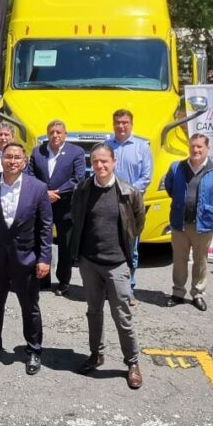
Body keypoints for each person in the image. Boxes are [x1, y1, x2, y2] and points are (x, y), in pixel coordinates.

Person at [0, 142, 52, 375]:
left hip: (26, 258)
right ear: (1, 159)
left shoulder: (37, 188)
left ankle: (33, 350)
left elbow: (45, 227)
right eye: (8, 157)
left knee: (30, 307)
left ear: (24, 162)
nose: (12, 161)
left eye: (17, 158)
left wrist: (45, 258)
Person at [69, 143, 146, 389]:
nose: (99, 166)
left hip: (117, 265)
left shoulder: (129, 193)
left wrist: (123, 255)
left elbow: (137, 224)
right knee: (93, 312)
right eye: (95, 162)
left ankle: (132, 363)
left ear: (114, 162)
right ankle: (96, 354)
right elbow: (77, 220)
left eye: (104, 161)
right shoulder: (82, 190)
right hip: (90, 263)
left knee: (122, 316)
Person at [164, 134, 213, 312]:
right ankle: (178, 292)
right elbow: (170, 189)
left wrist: (210, 210)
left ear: (207, 149)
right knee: (179, 260)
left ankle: (198, 293)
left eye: (200, 147)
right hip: (180, 223)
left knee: (200, 260)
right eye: (193, 146)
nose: (196, 150)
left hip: (203, 224)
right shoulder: (176, 168)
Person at [28, 120, 85, 296]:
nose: (55, 135)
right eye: (51, 132)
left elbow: (78, 178)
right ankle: (42, 279)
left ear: (65, 134)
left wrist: (58, 192)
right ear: (47, 134)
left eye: (59, 132)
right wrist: (45, 192)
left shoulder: (76, 152)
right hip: (42, 204)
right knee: (41, 240)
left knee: (65, 245)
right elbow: (30, 175)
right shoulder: (38, 152)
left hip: (65, 205)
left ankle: (63, 281)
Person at [107, 108, 153, 291]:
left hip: (131, 204)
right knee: (110, 244)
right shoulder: (107, 145)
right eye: (118, 123)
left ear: (131, 124)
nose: (121, 126)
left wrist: (127, 192)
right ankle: (110, 285)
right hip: (109, 202)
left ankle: (129, 287)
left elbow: (146, 177)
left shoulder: (142, 147)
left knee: (131, 247)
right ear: (113, 125)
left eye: (125, 122)